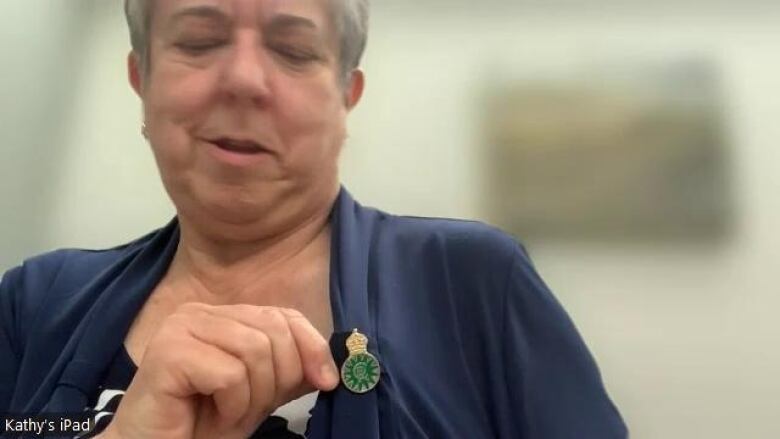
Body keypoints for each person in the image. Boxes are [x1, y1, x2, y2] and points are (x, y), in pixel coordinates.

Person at [0, 0, 627, 437]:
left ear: (345, 98)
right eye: (198, 41)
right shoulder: (33, 303)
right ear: (142, 78)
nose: (245, 80)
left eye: (294, 50)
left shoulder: (475, 282)